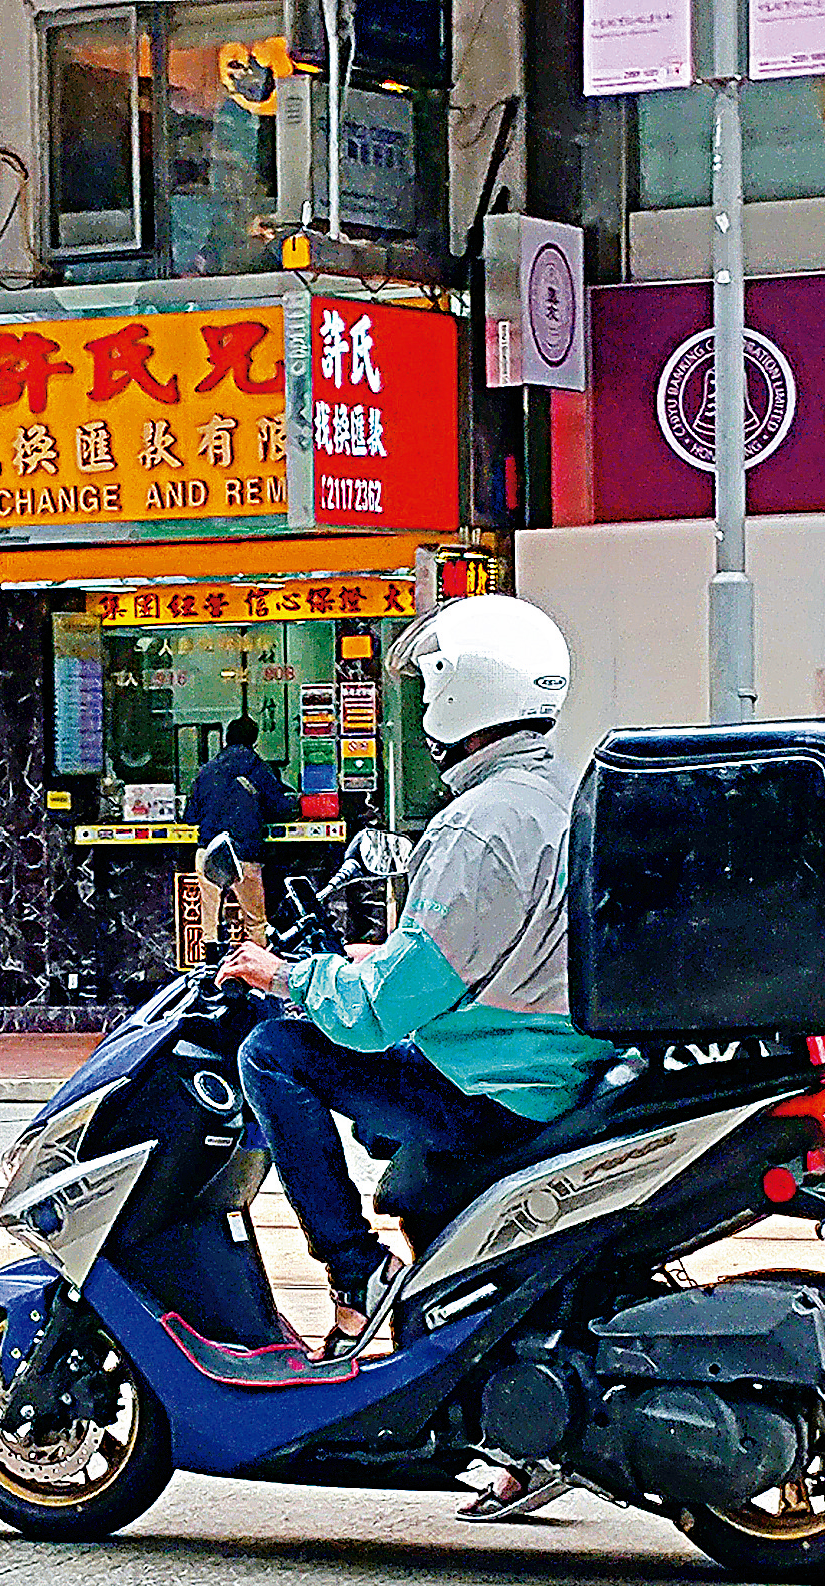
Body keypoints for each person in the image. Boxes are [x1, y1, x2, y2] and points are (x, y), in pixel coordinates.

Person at [218, 596, 618, 1519]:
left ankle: (351, 1275)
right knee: (394, 1138)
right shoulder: (562, 794)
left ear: (456, 696)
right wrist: (371, 965)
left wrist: (290, 974)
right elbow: (484, 955)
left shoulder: (481, 825)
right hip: (555, 1059)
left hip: (495, 1083)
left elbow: (371, 1015)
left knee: (277, 1053)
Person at [186, 715, 299, 940]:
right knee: (255, 922)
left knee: (208, 924)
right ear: (254, 740)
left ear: (226, 739)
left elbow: (190, 816)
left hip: (208, 852)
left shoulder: (207, 770)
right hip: (244, 852)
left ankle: (208, 969)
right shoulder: (258, 769)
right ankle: (257, 970)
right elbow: (278, 809)